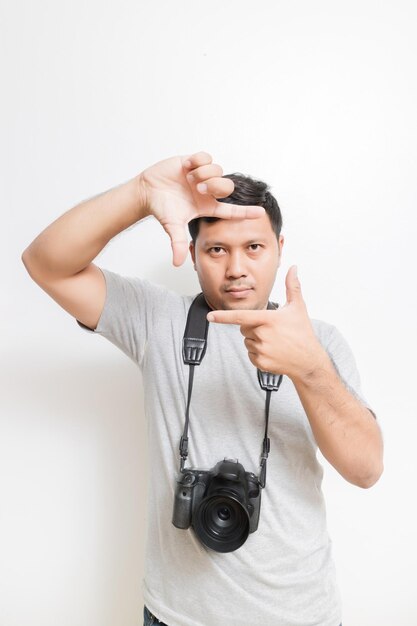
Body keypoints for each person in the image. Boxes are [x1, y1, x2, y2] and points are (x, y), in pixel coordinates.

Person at [22, 151, 383, 626]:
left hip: (298, 613)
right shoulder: (158, 320)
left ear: (279, 246)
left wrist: (309, 368)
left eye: (254, 247)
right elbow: (46, 264)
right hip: (177, 614)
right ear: (192, 254)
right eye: (217, 250)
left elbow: (365, 470)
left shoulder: (321, 343)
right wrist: (140, 194)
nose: (236, 268)